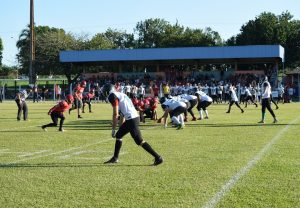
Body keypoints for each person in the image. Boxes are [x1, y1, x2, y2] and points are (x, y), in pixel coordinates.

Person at [102, 83, 163, 166]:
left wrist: (113, 129)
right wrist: (120, 128)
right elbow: (122, 114)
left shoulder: (112, 96)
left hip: (132, 119)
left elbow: (115, 114)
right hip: (132, 118)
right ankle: (115, 158)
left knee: (139, 141)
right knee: (119, 135)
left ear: (107, 91)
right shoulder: (121, 94)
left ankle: (158, 157)